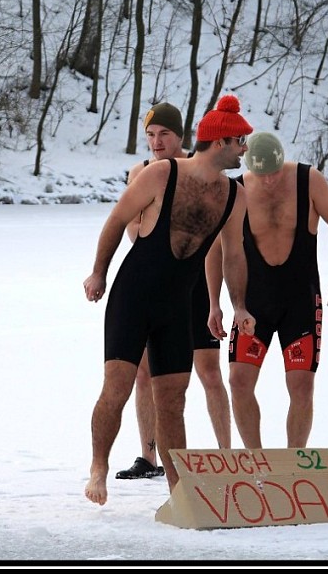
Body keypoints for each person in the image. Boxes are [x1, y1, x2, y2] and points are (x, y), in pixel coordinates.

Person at [83, 94, 255, 506]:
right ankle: (99, 467)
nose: (244, 149)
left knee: (173, 401)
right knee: (117, 388)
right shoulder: (161, 174)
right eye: (239, 142)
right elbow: (117, 220)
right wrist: (99, 272)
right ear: (220, 143)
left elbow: (234, 255)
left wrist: (239, 305)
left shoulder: (234, 195)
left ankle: (178, 492)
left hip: (177, 305)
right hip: (133, 296)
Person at [207, 131, 328, 449]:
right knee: (239, 381)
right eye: (262, 174)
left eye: (274, 172)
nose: (270, 180)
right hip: (252, 302)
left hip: (300, 299)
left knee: (301, 385)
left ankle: (294, 458)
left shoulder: (308, 180)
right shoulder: (236, 191)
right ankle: (255, 459)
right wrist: (214, 304)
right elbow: (216, 251)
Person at [115, 102, 232, 481]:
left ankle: (227, 455)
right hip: (154, 287)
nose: (156, 142)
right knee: (144, 374)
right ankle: (149, 457)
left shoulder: (199, 171)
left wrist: (216, 300)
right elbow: (132, 228)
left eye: (164, 134)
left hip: (195, 286)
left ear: (180, 136)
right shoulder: (142, 173)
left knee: (209, 372)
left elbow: (215, 243)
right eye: (150, 135)